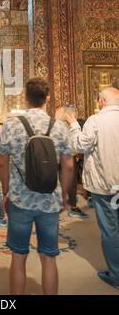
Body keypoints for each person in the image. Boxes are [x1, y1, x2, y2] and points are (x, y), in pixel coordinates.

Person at [0, 78, 74, 295]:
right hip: (50, 201)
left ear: (25, 97)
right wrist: (64, 196)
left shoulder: (12, 125)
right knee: (49, 257)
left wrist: (6, 192)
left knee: (18, 257)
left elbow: (3, 162)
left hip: (20, 200)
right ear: (47, 98)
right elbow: (68, 166)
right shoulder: (59, 127)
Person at [66, 87, 119, 289]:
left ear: (102, 101)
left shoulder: (95, 121)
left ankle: (116, 275)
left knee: (111, 231)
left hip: (106, 187)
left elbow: (80, 146)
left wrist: (73, 126)